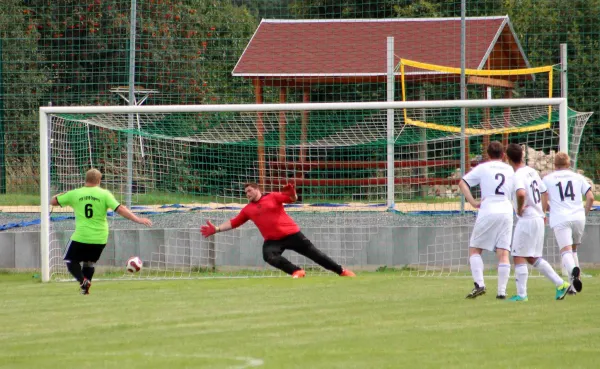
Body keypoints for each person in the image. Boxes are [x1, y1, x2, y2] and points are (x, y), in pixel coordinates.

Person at [200, 182, 355, 278]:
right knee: (269, 256)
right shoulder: (248, 209)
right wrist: (217, 229)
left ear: (257, 189)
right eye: (245, 192)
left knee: (317, 255)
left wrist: (293, 192)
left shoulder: (273, 196)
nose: (247, 194)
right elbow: (234, 222)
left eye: (249, 190)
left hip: (292, 234)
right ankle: (297, 272)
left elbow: (292, 199)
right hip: (272, 240)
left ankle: (341, 271)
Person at [50, 168, 153, 294]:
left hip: (82, 236)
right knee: (89, 263)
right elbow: (120, 209)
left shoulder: (75, 193)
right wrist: (138, 219)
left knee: (70, 260)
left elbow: (53, 201)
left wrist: (63, 193)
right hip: (100, 237)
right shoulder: (105, 194)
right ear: (99, 180)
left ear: (85, 180)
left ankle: (83, 281)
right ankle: (85, 290)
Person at [505, 144, 570, 301]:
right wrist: (543, 211)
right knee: (532, 257)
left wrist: (520, 209)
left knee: (518, 255)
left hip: (527, 219)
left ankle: (522, 295)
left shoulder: (518, 175)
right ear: (522, 156)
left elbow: (521, 193)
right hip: (538, 217)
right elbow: (544, 192)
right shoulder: (531, 171)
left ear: (507, 159)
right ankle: (560, 284)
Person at [458, 141, 514, 299]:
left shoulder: (483, 167)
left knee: (475, 249)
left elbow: (462, 183)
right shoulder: (510, 169)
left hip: (488, 209)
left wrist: (473, 202)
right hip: (506, 211)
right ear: (503, 155)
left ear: (488, 155)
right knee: (503, 252)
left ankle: (479, 283)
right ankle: (501, 292)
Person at [542, 152, 594, 295]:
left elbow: (544, 199)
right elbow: (590, 197)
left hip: (560, 217)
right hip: (578, 217)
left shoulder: (547, 179)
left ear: (554, 165)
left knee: (565, 251)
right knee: (574, 250)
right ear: (569, 164)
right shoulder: (578, 177)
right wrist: (585, 213)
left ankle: (573, 273)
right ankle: (573, 287)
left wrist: (546, 210)